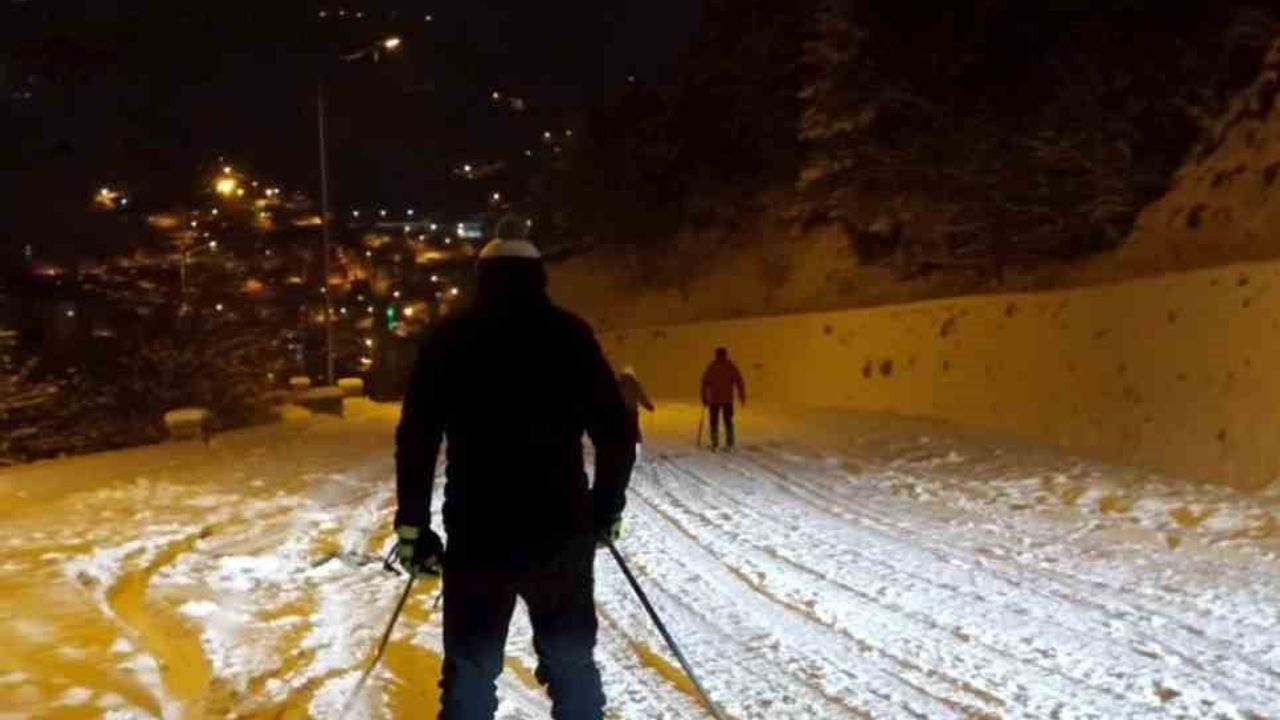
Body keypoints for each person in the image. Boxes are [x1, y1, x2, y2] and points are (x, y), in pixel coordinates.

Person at [394, 230, 636, 720]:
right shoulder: (570, 334)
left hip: (479, 530)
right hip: (560, 527)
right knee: (571, 661)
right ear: (538, 275)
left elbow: (417, 438)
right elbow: (616, 432)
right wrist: (605, 508)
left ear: (480, 278)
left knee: (471, 666)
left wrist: (413, 527)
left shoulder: (449, 337)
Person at [700, 347, 746, 451]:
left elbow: (704, 383)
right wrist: (742, 396)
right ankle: (729, 442)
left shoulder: (713, 367)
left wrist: (704, 397)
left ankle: (716, 441)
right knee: (727, 421)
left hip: (716, 399)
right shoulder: (729, 366)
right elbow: (739, 382)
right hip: (725, 399)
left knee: (715, 421)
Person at [616, 366, 654, 458]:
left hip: (619, 412)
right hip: (632, 411)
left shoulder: (618, 384)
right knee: (634, 431)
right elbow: (641, 396)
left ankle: (619, 450)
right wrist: (649, 406)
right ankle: (635, 451)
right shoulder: (635, 384)